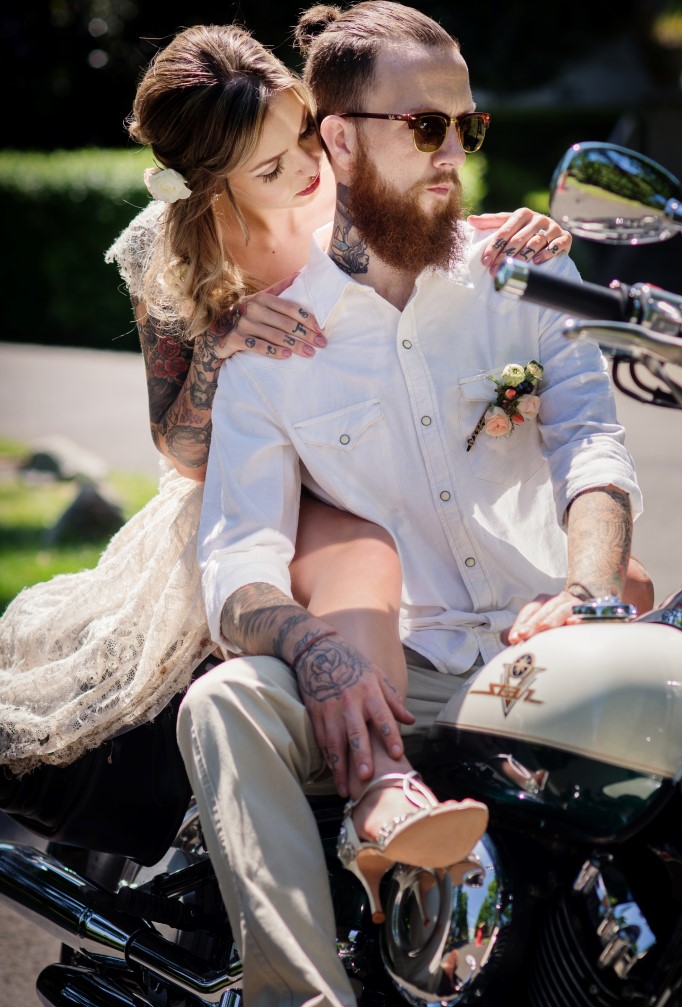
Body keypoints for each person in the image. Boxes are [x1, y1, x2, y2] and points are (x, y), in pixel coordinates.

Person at [173, 0, 646, 1007]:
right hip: (412, 667)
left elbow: (593, 445)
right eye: (424, 125)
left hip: (557, 643)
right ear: (336, 142)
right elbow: (234, 553)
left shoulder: (520, 272)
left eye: (466, 123)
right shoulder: (270, 344)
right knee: (223, 702)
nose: (454, 154)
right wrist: (313, 649)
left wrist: (587, 590)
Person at [0, 23, 578, 845]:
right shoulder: (167, 253)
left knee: (605, 573)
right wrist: (221, 351)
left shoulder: (338, 175)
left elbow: (421, 237)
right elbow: (178, 448)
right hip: (267, 476)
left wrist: (505, 235)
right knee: (361, 554)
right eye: (271, 168)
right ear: (204, 187)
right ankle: (382, 783)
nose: (309, 168)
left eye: (305, 135)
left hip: (368, 447)